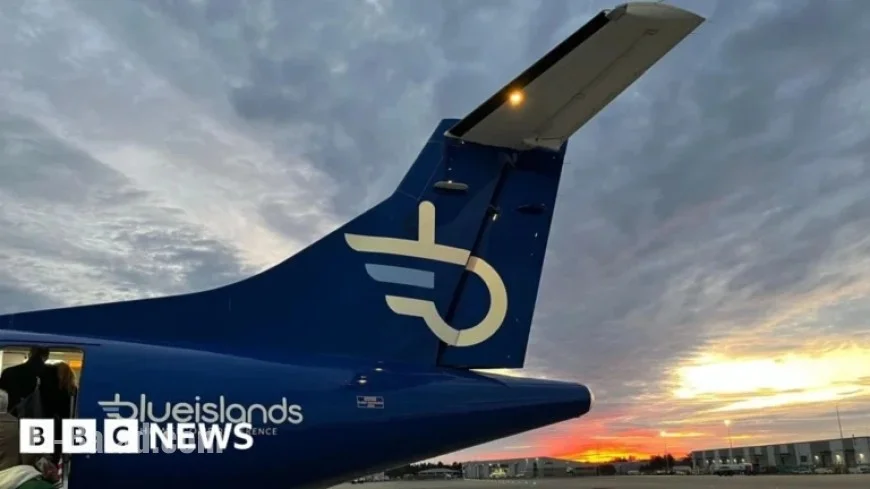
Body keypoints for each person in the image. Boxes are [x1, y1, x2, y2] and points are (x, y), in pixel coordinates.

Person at [0, 347, 50, 416]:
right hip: (37, 418)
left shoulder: (9, 371)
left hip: (12, 414)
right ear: (47, 357)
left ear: (30, 354)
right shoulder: (49, 374)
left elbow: (2, 393)